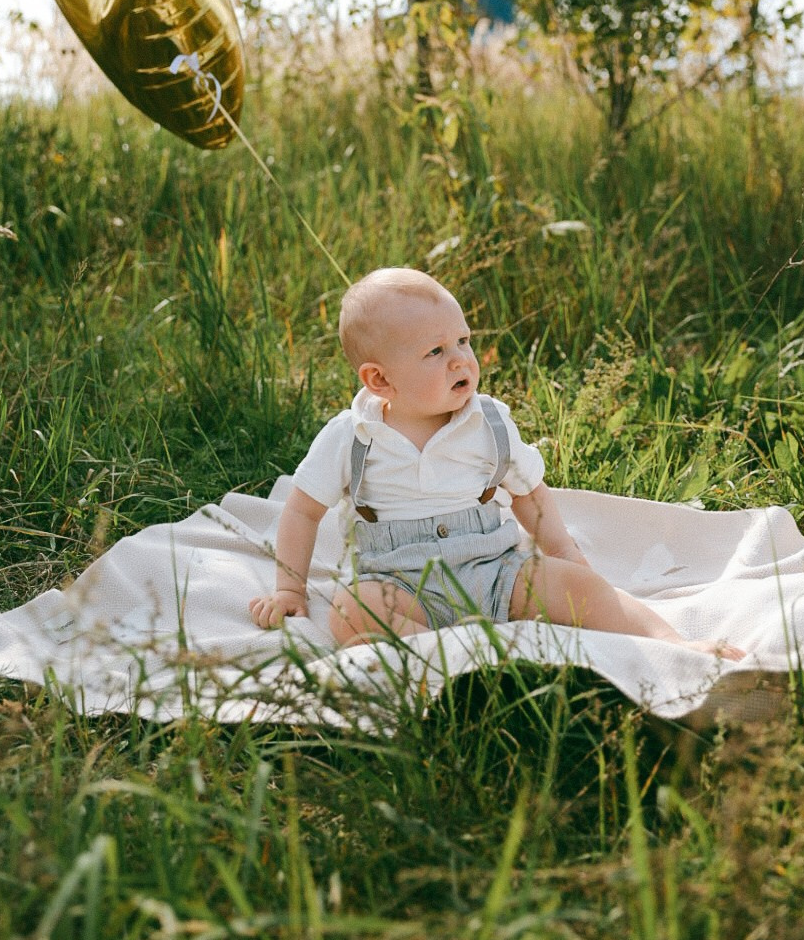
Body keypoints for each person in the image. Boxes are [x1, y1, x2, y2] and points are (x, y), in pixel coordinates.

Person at [249, 267, 744, 659]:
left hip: (493, 569)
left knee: (584, 588)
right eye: (436, 351)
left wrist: (564, 553)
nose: (461, 360)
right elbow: (301, 512)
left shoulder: (488, 422)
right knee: (351, 610)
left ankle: (674, 646)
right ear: (379, 380)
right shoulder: (350, 435)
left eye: (463, 341)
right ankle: (437, 658)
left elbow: (529, 494)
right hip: (399, 582)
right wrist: (290, 587)